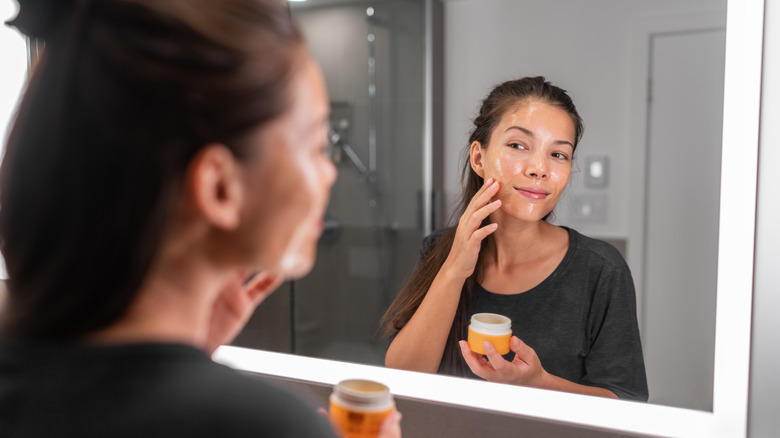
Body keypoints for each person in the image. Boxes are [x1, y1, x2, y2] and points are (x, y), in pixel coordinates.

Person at [0, 0, 401, 437]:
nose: (328, 173)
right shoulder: (266, 426)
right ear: (219, 187)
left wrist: (189, 353)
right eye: (314, 145)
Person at [382, 76, 648, 401]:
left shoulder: (602, 270)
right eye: (518, 146)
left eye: (559, 155)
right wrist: (453, 269)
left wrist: (538, 383)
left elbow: (628, 403)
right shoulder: (439, 249)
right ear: (478, 158)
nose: (539, 168)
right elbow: (401, 379)